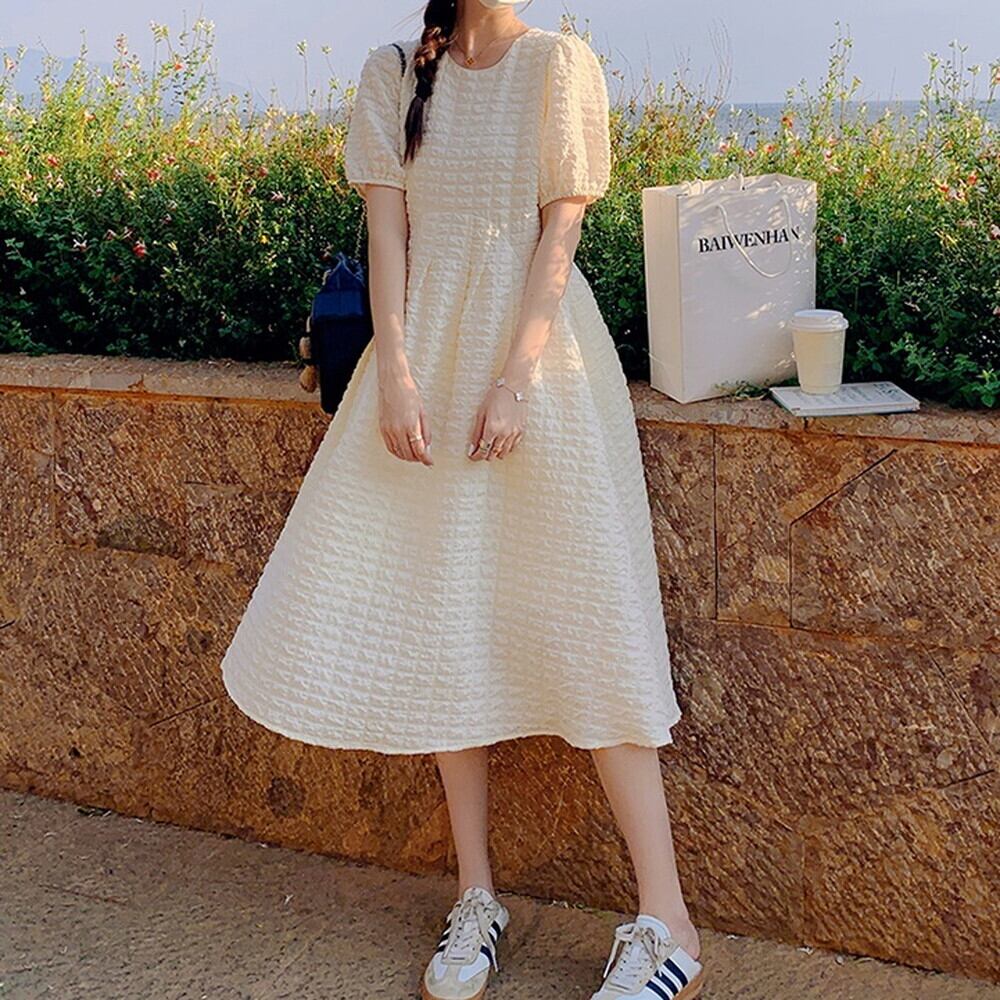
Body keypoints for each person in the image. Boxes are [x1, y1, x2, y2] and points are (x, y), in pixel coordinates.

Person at [219, 1, 703, 997]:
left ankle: (669, 922)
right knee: (438, 628)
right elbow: (387, 237)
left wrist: (517, 378)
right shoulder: (393, 71)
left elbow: (559, 233)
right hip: (427, 370)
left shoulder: (558, 64)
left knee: (594, 629)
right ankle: (475, 897)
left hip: (545, 372)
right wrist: (394, 375)